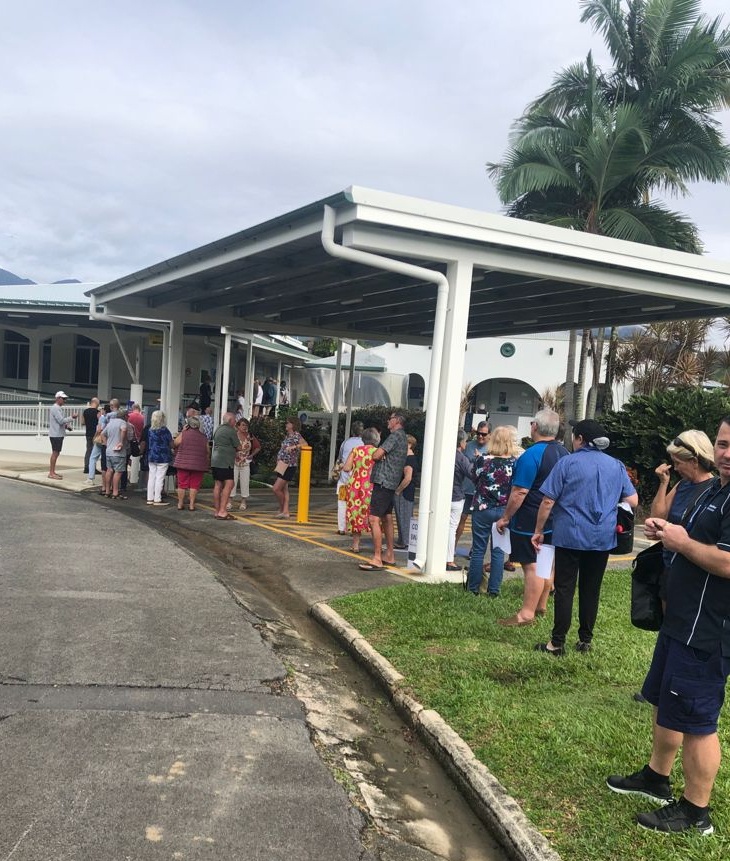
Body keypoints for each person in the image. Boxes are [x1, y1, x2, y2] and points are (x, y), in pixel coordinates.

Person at [605, 417, 730, 836]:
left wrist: (682, 542)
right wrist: (669, 532)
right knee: (664, 699)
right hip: (679, 619)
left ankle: (696, 812)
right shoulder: (714, 489)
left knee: (697, 721)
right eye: (723, 444)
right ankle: (657, 778)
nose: (727, 453)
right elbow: (690, 537)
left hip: (708, 629)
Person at [532, 419, 638, 655]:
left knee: (565, 588)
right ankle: (585, 641)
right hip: (602, 537)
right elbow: (633, 500)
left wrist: (538, 531)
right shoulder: (616, 465)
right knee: (592, 588)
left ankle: (557, 642)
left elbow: (548, 500)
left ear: (580, 439)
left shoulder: (567, 463)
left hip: (569, 535)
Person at [496, 409, 568, 626]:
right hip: (556, 518)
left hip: (531, 519)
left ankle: (526, 614)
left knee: (531, 566)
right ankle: (541, 605)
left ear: (535, 427)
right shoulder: (565, 454)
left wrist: (506, 517)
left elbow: (520, 492)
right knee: (547, 563)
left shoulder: (531, 455)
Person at [649, 430, 715, 609]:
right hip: (670, 566)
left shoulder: (715, 490)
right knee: (667, 626)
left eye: (678, 463)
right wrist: (663, 483)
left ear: (694, 462)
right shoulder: (682, 485)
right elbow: (657, 517)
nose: (675, 468)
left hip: (694, 572)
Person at [466, 426, 520, 595]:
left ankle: (473, 588)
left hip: (482, 508)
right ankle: (494, 590)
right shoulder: (514, 462)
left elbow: (474, 477)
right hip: (504, 511)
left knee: (478, 550)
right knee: (498, 552)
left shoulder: (483, 460)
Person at [359, 413, 408, 572]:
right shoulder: (404, 438)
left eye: (390, 419)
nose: (388, 421)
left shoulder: (394, 436)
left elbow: (376, 455)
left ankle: (377, 558)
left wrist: (380, 454)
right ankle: (390, 555)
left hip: (383, 481)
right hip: (392, 483)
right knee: (387, 518)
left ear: (397, 421)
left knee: (374, 518)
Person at [343, 427, 381, 553]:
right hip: (371, 486)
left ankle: (355, 545)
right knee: (373, 515)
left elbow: (347, 468)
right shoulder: (378, 452)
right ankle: (377, 547)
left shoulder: (356, 451)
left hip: (356, 486)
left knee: (356, 513)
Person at [455, 421, 490, 549]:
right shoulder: (468, 446)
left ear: (489, 435)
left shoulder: (492, 448)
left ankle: (474, 551)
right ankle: (452, 547)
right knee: (461, 519)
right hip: (466, 490)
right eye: (478, 433)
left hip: (482, 492)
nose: (480, 436)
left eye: (484, 434)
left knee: (478, 523)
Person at [447, 430, 473, 572]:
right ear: (461, 443)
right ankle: (449, 560)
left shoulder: (443, 454)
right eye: (465, 441)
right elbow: (472, 473)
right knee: (452, 528)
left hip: (442, 496)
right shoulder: (461, 458)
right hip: (456, 496)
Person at [172, 415, 210, 511]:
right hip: (198, 464)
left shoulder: (184, 434)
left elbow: (174, 444)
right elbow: (207, 451)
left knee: (182, 484)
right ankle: (192, 505)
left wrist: (182, 432)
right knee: (194, 484)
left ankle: (180, 503)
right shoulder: (203, 437)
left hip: (183, 463)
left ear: (187, 425)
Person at [272, 417, 307, 519]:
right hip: (282, 464)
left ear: (292, 425)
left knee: (276, 488)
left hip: (289, 465)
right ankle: (285, 511)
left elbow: (305, 444)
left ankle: (283, 508)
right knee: (284, 489)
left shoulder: (296, 435)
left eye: (287, 423)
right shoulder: (288, 436)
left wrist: (294, 447)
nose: (286, 425)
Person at [211, 412, 241, 520]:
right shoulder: (230, 430)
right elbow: (239, 446)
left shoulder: (218, 429)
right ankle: (223, 511)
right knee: (229, 483)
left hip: (215, 461)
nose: (235, 422)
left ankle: (217, 510)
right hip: (225, 462)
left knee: (218, 484)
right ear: (230, 421)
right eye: (234, 420)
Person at [336, 422, 364, 535]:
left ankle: (341, 528)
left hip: (344, 479)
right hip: (357, 480)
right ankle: (354, 527)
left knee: (342, 503)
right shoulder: (364, 443)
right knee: (356, 504)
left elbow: (340, 458)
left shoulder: (345, 442)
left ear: (352, 431)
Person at [393, 435, 418, 550]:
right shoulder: (410, 458)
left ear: (409, 444)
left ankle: (404, 541)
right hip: (408, 492)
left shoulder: (409, 459)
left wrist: (398, 491)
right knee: (405, 515)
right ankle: (403, 540)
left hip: (404, 492)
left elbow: (407, 478)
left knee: (403, 515)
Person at [232, 417, 261, 511]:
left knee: (245, 482)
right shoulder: (234, 435)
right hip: (234, 462)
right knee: (232, 481)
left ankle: (243, 501)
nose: (245, 427)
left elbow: (257, 447)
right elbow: (229, 446)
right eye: (243, 425)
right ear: (238, 426)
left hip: (246, 462)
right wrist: (234, 453)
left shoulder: (250, 436)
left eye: (246, 425)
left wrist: (252, 455)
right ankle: (229, 500)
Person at [145, 410, 174, 506]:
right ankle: (157, 499)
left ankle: (150, 498)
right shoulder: (165, 430)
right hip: (163, 456)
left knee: (152, 477)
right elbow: (171, 444)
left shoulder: (150, 430)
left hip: (152, 455)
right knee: (160, 478)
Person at [48, 391, 78, 479]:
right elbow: (61, 421)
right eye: (63, 399)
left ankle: (52, 472)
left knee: (56, 453)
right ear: (58, 398)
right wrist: (71, 417)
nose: (65, 400)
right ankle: (51, 472)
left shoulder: (58, 408)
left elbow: (60, 422)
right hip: (56, 434)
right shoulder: (56, 408)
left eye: (65, 399)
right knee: (55, 453)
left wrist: (66, 426)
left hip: (58, 434)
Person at [102, 407, 129, 500]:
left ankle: (107, 491)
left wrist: (106, 444)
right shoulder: (122, 423)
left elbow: (102, 433)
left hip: (109, 451)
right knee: (118, 472)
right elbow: (124, 430)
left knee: (109, 470)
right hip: (118, 452)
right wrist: (121, 441)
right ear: (125, 416)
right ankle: (115, 492)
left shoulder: (111, 422)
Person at [81, 397, 100, 480]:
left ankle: (86, 467)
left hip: (88, 433)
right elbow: (100, 423)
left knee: (88, 450)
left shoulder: (85, 411)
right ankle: (92, 468)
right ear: (96, 403)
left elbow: (82, 422)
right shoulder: (98, 412)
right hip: (95, 434)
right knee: (94, 452)